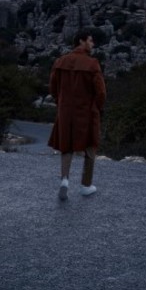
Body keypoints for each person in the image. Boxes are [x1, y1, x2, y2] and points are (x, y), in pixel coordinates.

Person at [48, 28, 106, 200]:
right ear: (81, 41)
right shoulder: (92, 64)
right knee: (90, 146)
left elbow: (52, 88)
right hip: (86, 111)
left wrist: (61, 103)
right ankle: (86, 185)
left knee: (66, 145)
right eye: (90, 40)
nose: (92, 43)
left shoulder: (60, 61)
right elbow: (101, 92)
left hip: (65, 111)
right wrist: (97, 107)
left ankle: (64, 180)